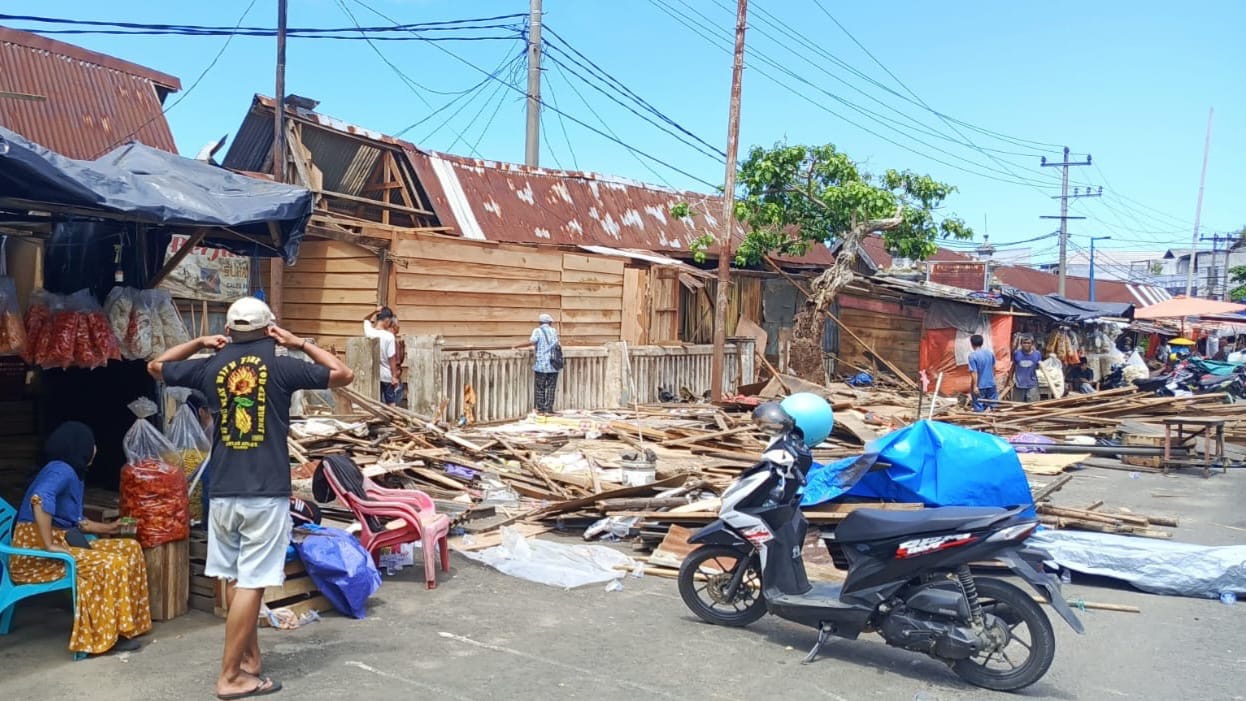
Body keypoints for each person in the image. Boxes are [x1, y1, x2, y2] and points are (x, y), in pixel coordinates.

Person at [147, 297, 354, 700]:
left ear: (229, 330)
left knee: (235, 578)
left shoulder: (210, 365)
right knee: (254, 583)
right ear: (268, 328)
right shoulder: (281, 363)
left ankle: (249, 661)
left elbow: (155, 366)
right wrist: (299, 343)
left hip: (222, 490)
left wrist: (202, 343)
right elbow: (343, 374)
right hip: (263, 492)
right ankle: (230, 677)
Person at [9, 422, 152, 655]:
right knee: (108, 564)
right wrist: (50, 544)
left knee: (129, 548)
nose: (95, 448)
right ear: (80, 446)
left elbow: (78, 522)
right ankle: (103, 637)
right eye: (91, 443)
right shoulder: (60, 469)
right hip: (35, 557)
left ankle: (126, 626)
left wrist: (110, 527)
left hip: (61, 543)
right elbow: (41, 499)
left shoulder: (71, 474)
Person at [513, 313, 561, 416]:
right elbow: (557, 344)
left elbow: (532, 342)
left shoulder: (537, 331)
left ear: (540, 322)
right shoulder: (554, 331)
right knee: (551, 387)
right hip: (554, 364)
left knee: (540, 387)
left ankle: (541, 410)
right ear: (550, 322)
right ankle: (549, 409)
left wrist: (517, 345)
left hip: (542, 364)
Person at [363, 306, 402, 405]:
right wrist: (394, 376)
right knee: (391, 404)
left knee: (374, 403)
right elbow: (391, 358)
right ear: (387, 320)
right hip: (385, 375)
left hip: (372, 375)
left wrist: (374, 311)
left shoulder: (369, 332)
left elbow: (365, 319)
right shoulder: (389, 336)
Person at [966, 334, 998, 412]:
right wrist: (993, 379)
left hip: (981, 385)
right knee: (993, 405)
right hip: (991, 384)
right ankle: (994, 420)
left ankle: (981, 421)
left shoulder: (972, 356)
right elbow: (994, 368)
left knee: (979, 405)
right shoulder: (990, 353)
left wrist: (975, 386)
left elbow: (974, 372)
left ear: (971, 344)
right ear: (982, 343)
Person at [1008, 336, 1043, 403]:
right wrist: (1010, 379)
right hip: (1019, 385)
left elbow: (1040, 367)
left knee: (1033, 405)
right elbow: (1013, 367)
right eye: (1024, 343)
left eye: (1028, 343)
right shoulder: (1017, 353)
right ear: (1021, 344)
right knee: (1017, 405)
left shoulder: (1037, 354)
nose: (1026, 345)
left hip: (1032, 385)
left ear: (1032, 344)